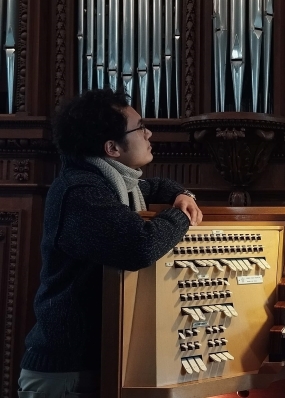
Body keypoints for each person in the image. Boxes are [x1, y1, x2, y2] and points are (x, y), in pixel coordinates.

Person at [18, 88, 202, 398]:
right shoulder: (80, 192)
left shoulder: (109, 181)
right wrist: (181, 216)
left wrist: (181, 194)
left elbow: (155, 185)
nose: (149, 133)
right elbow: (139, 246)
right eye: (140, 127)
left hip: (90, 367)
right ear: (112, 147)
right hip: (66, 375)